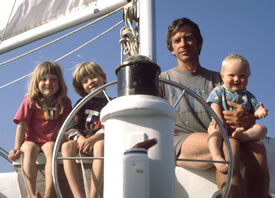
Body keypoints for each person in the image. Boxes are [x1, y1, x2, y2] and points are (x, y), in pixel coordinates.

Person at [159, 17, 269, 198]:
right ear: (171, 49)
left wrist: (248, 118)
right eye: (177, 40)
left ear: (199, 43)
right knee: (229, 144)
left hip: (222, 135)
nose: (183, 44)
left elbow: (248, 112)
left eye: (188, 38)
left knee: (258, 148)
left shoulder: (221, 79)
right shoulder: (163, 80)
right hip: (181, 141)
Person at [8, 61, 72, 198]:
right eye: (43, 79)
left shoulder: (64, 102)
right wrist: (16, 147)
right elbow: (22, 124)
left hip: (50, 141)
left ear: (59, 83)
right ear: (37, 82)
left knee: (51, 150)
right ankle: (31, 193)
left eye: (53, 80)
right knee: (30, 150)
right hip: (31, 140)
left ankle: (49, 193)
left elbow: (65, 126)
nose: (48, 82)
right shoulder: (30, 101)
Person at [207, 54, 268, 173]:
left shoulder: (249, 96)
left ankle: (242, 137)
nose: (236, 79)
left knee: (262, 129)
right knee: (213, 132)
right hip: (222, 125)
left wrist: (260, 111)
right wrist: (218, 118)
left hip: (241, 129)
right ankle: (216, 156)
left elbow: (255, 111)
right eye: (231, 75)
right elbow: (213, 104)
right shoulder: (219, 90)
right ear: (222, 76)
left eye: (242, 76)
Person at [61, 62, 108, 198]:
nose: (90, 82)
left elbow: (112, 125)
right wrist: (80, 138)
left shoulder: (112, 103)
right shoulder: (80, 105)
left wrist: (95, 138)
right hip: (81, 140)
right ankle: (78, 195)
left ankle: (93, 195)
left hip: (100, 140)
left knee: (101, 145)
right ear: (82, 87)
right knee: (66, 146)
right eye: (85, 81)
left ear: (103, 77)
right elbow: (70, 127)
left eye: (93, 77)